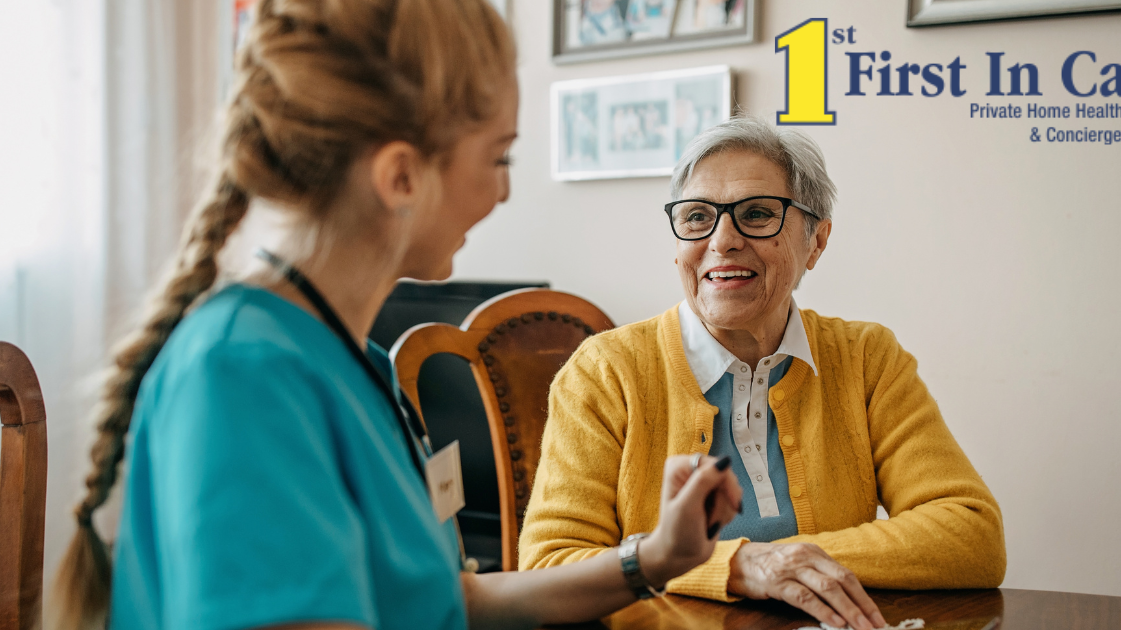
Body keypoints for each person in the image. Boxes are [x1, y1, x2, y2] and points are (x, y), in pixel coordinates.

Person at [50, 1, 742, 629]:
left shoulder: (359, 361)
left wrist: (653, 558)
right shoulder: (242, 376)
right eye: (499, 156)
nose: (503, 191)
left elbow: (450, 602)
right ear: (401, 176)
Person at [519, 117, 1007, 630]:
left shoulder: (867, 357)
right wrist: (737, 567)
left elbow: (970, 534)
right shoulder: (603, 371)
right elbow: (550, 565)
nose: (722, 240)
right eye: (696, 217)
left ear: (816, 241)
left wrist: (781, 562)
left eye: (756, 214)